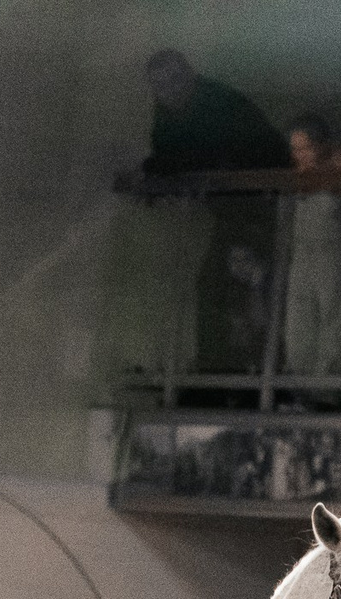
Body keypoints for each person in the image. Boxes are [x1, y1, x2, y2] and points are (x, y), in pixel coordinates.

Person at [142, 51, 291, 374]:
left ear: (189, 76)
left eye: (173, 80)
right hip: (230, 210)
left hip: (256, 204)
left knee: (248, 286)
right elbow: (169, 153)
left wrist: (169, 168)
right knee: (217, 286)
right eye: (160, 85)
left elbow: (209, 153)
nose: (168, 90)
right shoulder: (169, 111)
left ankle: (256, 368)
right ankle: (221, 366)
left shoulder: (215, 103)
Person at [279, 116, 341, 385]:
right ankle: (298, 383)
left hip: (330, 255)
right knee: (297, 321)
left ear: (321, 147)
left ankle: (326, 385)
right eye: (295, 149)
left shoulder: (337, 175)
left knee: (332, 319)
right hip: (300, 258)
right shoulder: (293, 183)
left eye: (306, 147)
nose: (300, 155)